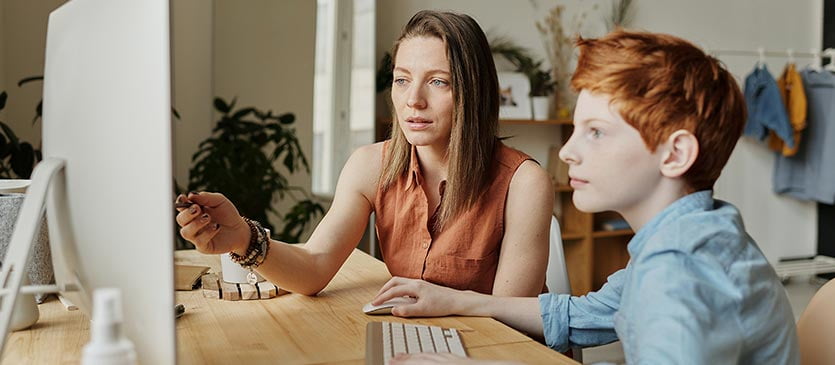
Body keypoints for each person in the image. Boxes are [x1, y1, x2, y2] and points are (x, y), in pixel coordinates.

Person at [372, 30, 799, 364]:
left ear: (676, 154)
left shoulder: (682, 272)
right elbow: (582, 316)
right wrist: (456, 301)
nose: (568, 151)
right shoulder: (691, 237)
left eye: (595, 132)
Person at [175, 10, 553, 298]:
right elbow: (314, 267)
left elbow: (509, 319)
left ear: (474, 92)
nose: (413, 100)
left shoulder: (524, 183)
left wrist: (440, 303)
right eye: (402, 79)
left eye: (438, 82)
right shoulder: (370, 165)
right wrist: (243, 237)